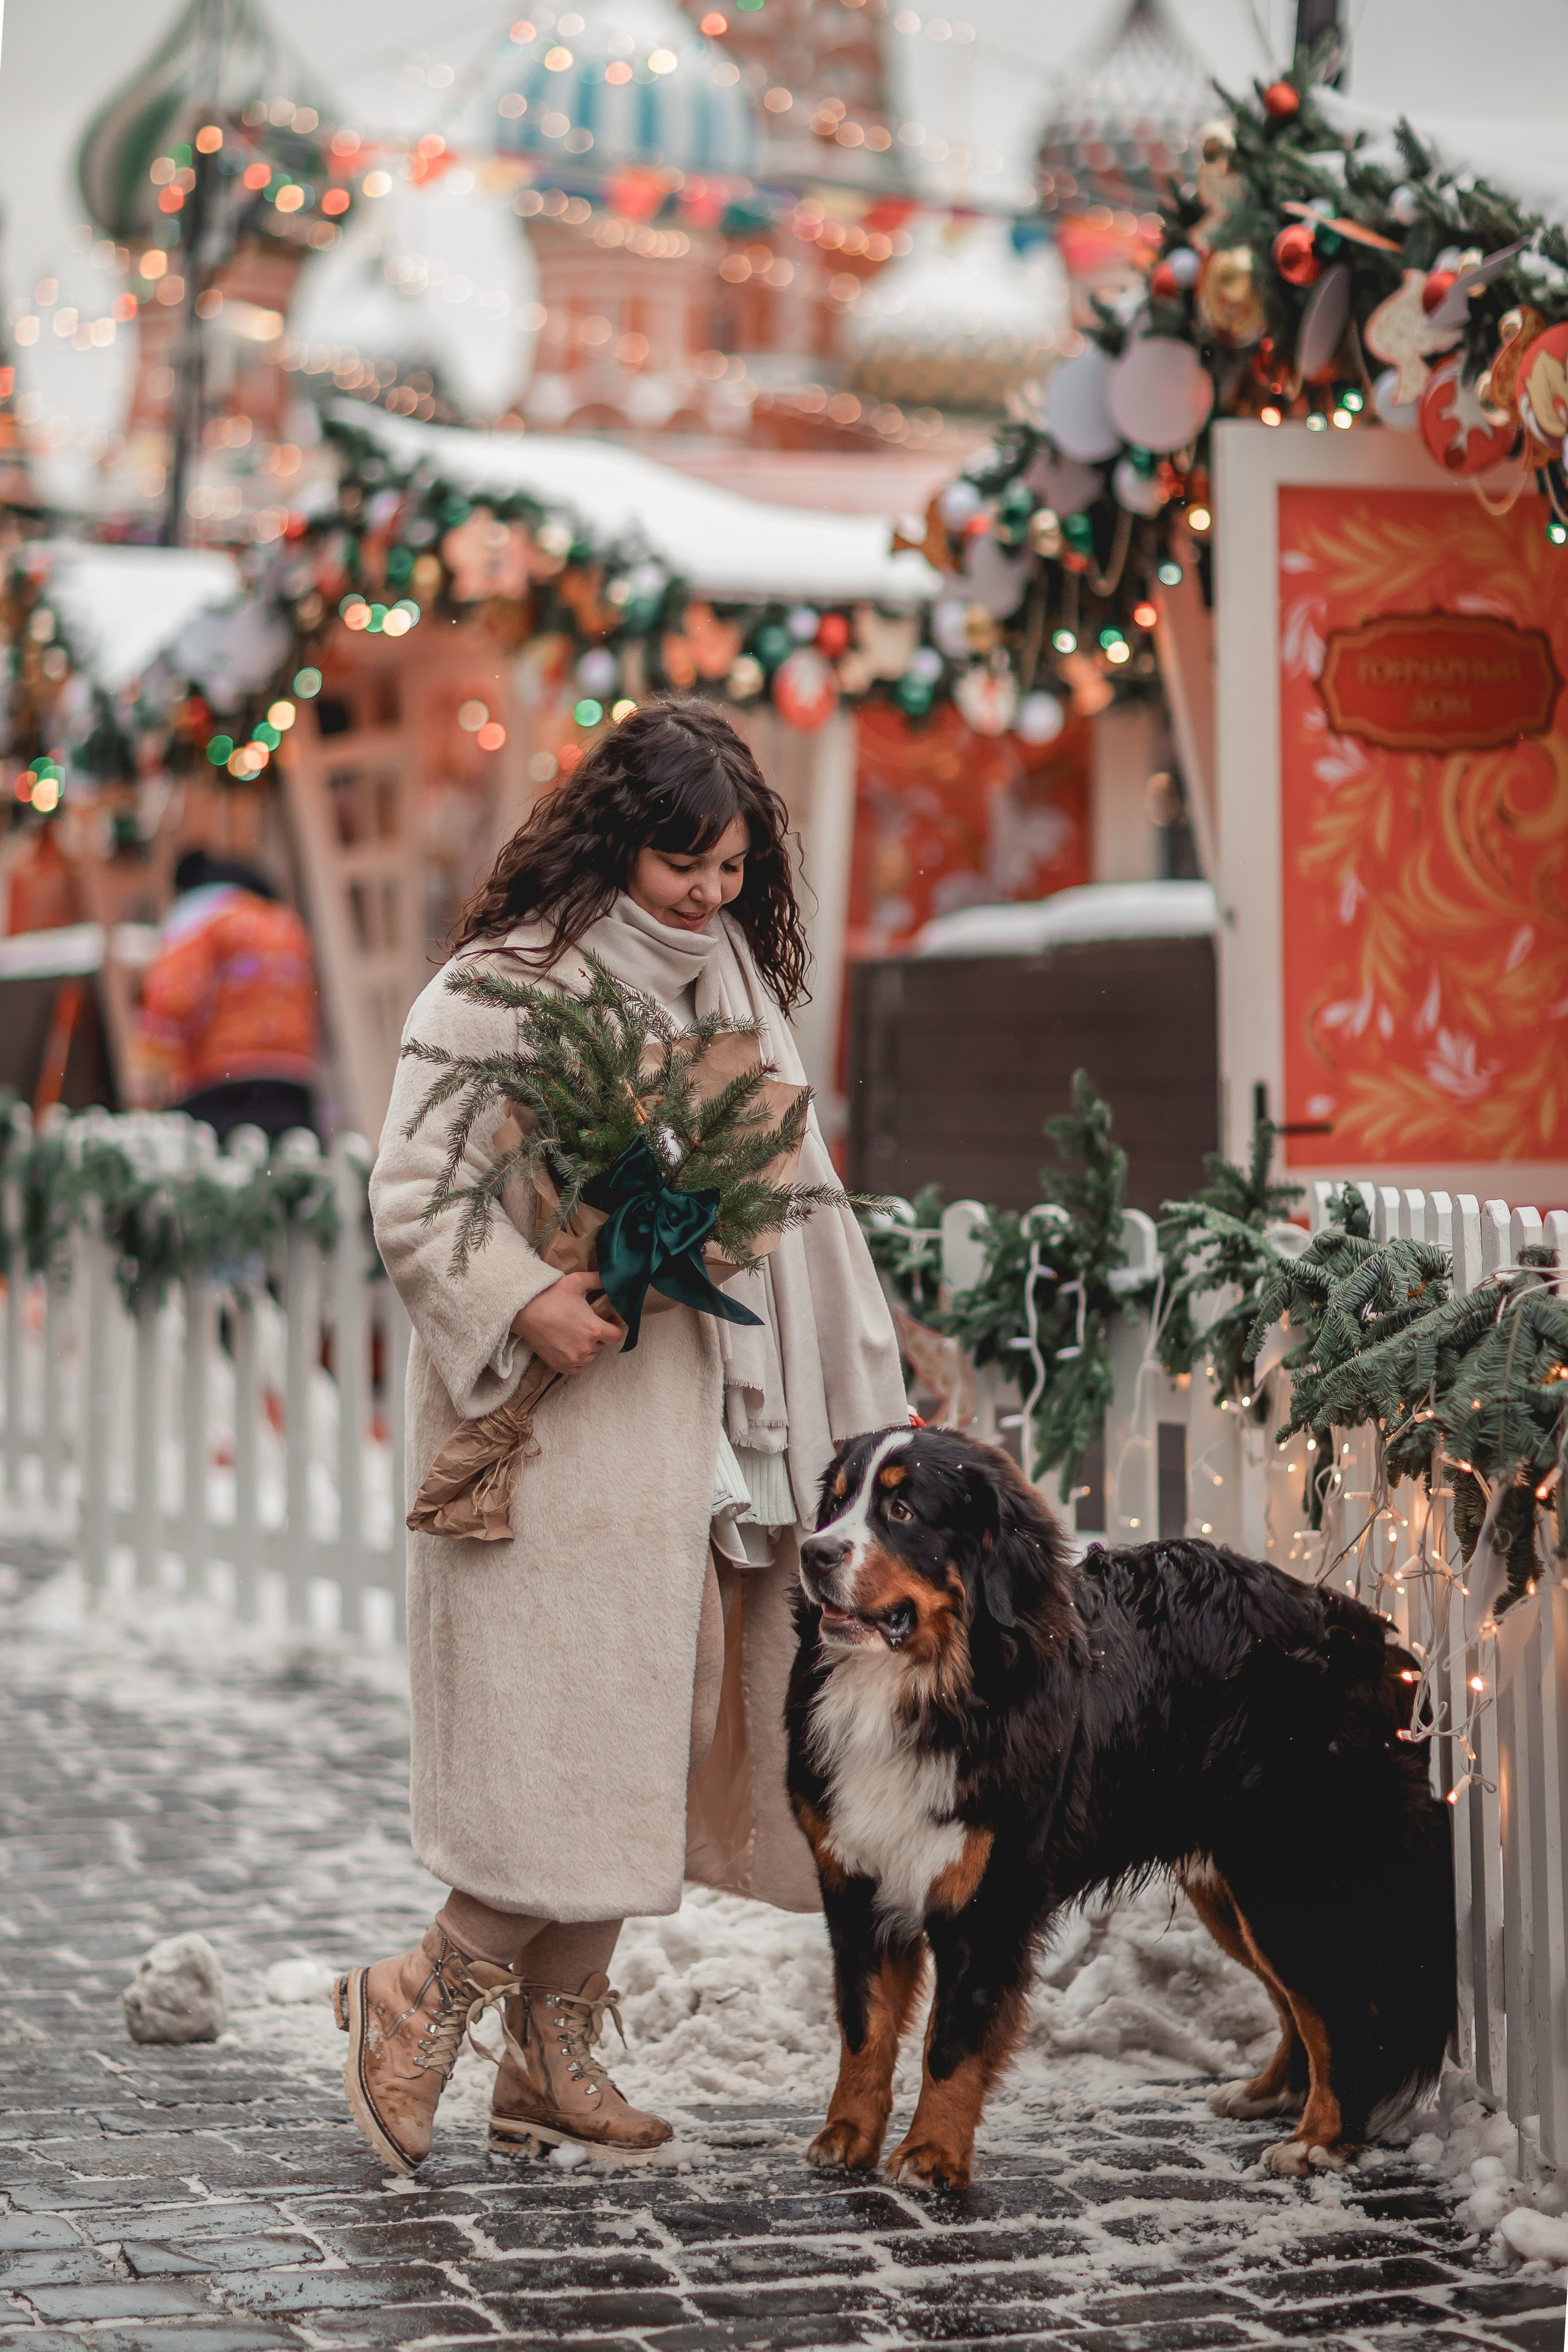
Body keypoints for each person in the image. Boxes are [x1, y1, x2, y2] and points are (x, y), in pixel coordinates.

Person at [344, 699, 908, 2174]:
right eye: (682, 861)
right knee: (556, 1743)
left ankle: (551, 2052)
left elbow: (794, 1196)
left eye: (730, 867)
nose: (708, 894)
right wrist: (525, 1295)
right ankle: (414, 2002)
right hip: (552, 1444)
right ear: (611, 837)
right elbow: (413, 1194)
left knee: (641, 1738)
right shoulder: (502, 986)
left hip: (704, 1440)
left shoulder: (731, 989)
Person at [132, 850, 318, 1140]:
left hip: (220, 1089)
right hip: (291, 1084)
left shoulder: (198, 918)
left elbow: (171, 999)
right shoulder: (285, 923)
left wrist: (146, 1083)